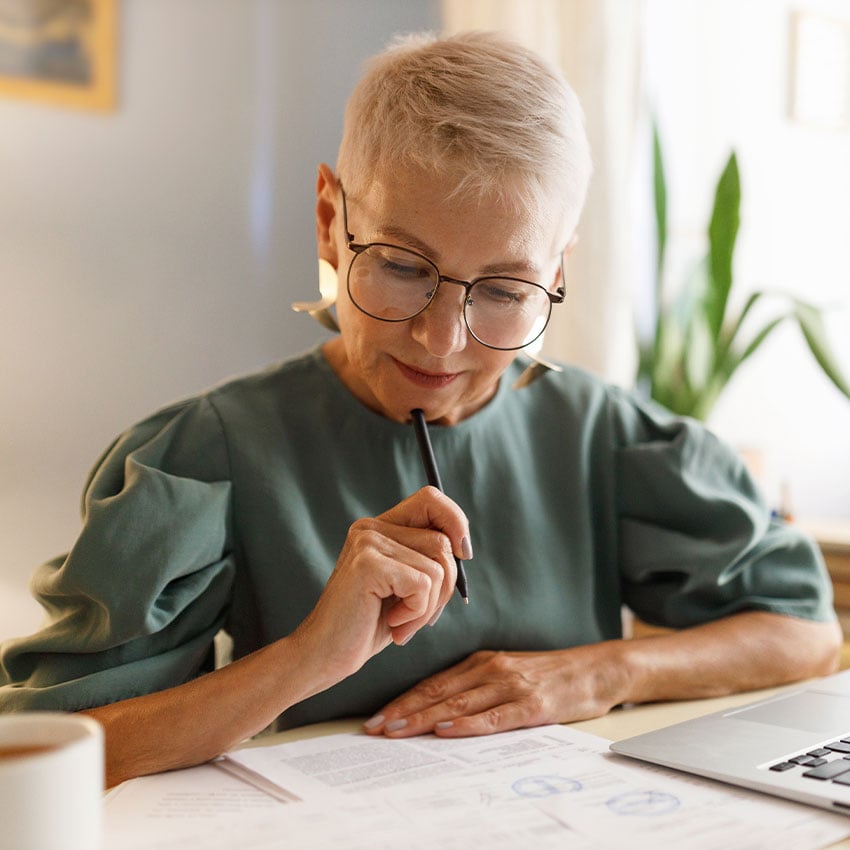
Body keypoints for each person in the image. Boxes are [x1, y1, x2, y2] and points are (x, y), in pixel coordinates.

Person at [0, 31, 841, 789]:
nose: (441, 342)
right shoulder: (203, 455)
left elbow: (804, 632)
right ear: (329, 223)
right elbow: (41, 748)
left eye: (505, 289)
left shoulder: (607, 436)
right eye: (402, 267)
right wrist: (307, 657)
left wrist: (598, 672)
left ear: (556, 275)